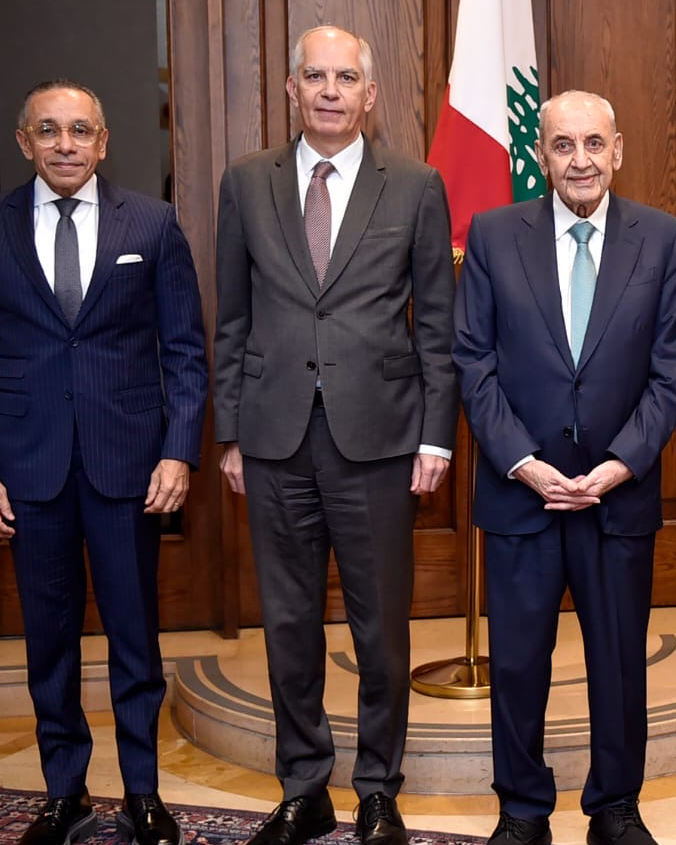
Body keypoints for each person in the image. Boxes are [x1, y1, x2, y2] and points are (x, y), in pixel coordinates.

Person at [0, 79, 206, 845]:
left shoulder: (151, 223)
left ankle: (143, 791)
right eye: (49, 130)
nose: (66, 144)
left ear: (103, 140)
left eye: (80, 130)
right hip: (26, 468)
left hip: (129, 464)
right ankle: (65, 791)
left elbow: (186, 351)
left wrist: (179, 451)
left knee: (135, 635)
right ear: (24, 142)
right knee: (48, 636)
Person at [212, 25, 457, 845]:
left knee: (380, 628)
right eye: (314, 76)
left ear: (369, 94)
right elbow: (232, 319)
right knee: (288, 623)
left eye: (345, 77)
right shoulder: (246, 182)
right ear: (292, 89)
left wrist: (435, 437)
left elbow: (438, 328)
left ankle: (378, 789)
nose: (328, 90)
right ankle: (304, 786)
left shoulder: (416, 186)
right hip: (273, 438)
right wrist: (229, 432)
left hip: (380, 442)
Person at [453, 90, 676, 845]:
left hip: (616, 498)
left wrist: (622, 464)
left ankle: (615, 806)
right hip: (521, 496)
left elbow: (669, 371)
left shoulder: (663, 238)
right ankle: (523, 810)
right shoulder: (493, 236)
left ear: (617, 149)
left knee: (619, 664)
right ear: (541, 154)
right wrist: (522, 462)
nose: (580, 160)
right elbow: (473, 362)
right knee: (517, 665)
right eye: (563, 145)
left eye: (594, 144)